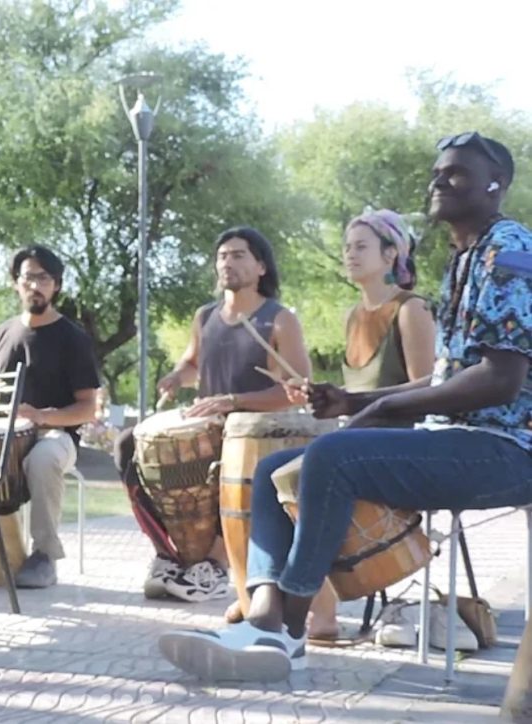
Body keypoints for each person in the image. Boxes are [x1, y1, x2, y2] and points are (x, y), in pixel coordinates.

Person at [159, 132, 532, 682]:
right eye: (436, 171)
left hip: (504, 450)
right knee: (270, 470)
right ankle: (265, 616)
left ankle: (287, 625)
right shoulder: (464, 259)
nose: (437, 180)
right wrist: (355, 400)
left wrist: (380, 412)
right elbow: (444, 377)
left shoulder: (509, 250)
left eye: (455, 173)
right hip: (454, 440)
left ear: (495, 185)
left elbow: (499, 381)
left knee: (332, 457)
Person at [114, 228, 312, 603]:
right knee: (128, 446)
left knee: (231, 456)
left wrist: (232, 401)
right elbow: (192, 363)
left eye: (238, 255)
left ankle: (217, 564)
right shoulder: (205, 316)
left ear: (261, 267)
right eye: (222, 256)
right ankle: (168, 554)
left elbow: (295, 389)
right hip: (209, 422)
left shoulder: (280, 319)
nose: (227, 263)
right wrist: (177, 376)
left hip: (255, 430)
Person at [287, 209, 436, 643]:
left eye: (361, 246)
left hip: (399, 443)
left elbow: (428, 387)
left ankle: (311, 612)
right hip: (354, 441)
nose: (349, 254)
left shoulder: (411, 309)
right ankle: (300, 606)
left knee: (309, 470)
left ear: (392, 254)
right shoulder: (354, 315)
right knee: (273, 474)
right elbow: (354, 397)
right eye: (347, 247)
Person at [0, 244, 100, 588]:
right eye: (28, 277)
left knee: (42, 458)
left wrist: (41, 416)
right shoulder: (3, 332)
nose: (35, 285)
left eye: (44, 278)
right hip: (4, 434)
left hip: (56, 437)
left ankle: (44, 556)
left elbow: (88, 407)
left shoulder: (73, 338)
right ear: (16, 283)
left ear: (56, 285)